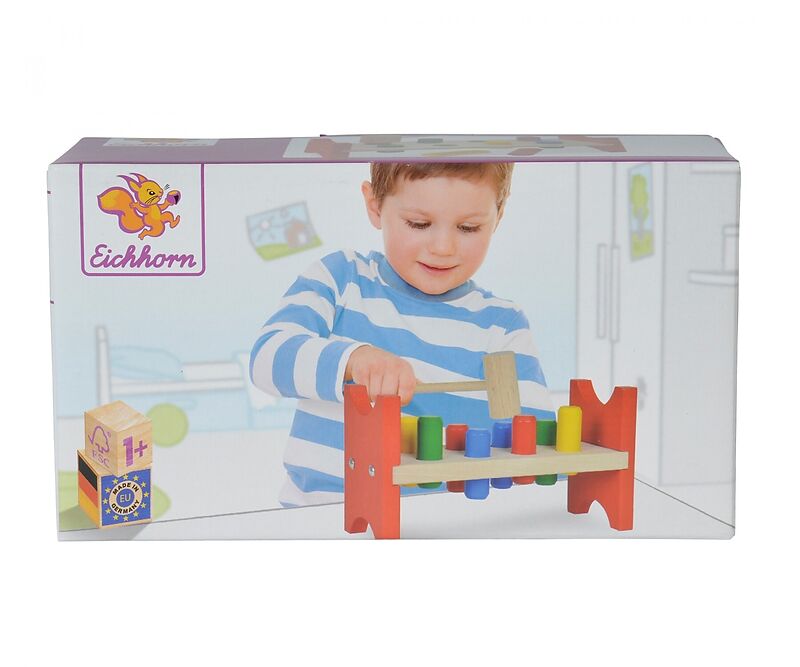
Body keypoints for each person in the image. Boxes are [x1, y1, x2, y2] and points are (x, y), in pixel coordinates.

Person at [250, 162, 554, 507]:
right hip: (317, 519)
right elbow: (266, 357)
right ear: (375, 205)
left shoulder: (502, 326)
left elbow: (537, 454)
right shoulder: (342, 279)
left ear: (498, 215)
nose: (443, 247)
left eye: (468, 228)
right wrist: (353, 360)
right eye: (419, 224)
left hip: (440, 524)